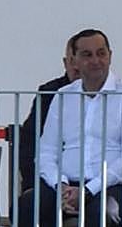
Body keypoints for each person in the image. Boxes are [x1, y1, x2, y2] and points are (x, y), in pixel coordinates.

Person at [15, 29, 122, 227]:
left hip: (116, 186)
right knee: (28, 206)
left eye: (101, 53)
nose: (95, 60)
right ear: (73, 61)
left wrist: (90, 190)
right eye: (86, 55)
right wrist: (60, 186)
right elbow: (47, 152)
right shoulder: (63, 95)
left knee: (103, 212)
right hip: (67, 183)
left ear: (110, 56)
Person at [17, 37, 82, 194]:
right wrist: (33, 183)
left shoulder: (116, 95)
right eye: (72, 61)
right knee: (29, 207)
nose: (77, 66)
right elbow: (31, 141)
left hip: (96, 180)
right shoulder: (50, 93)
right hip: (50, 178)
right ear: (65, 63)